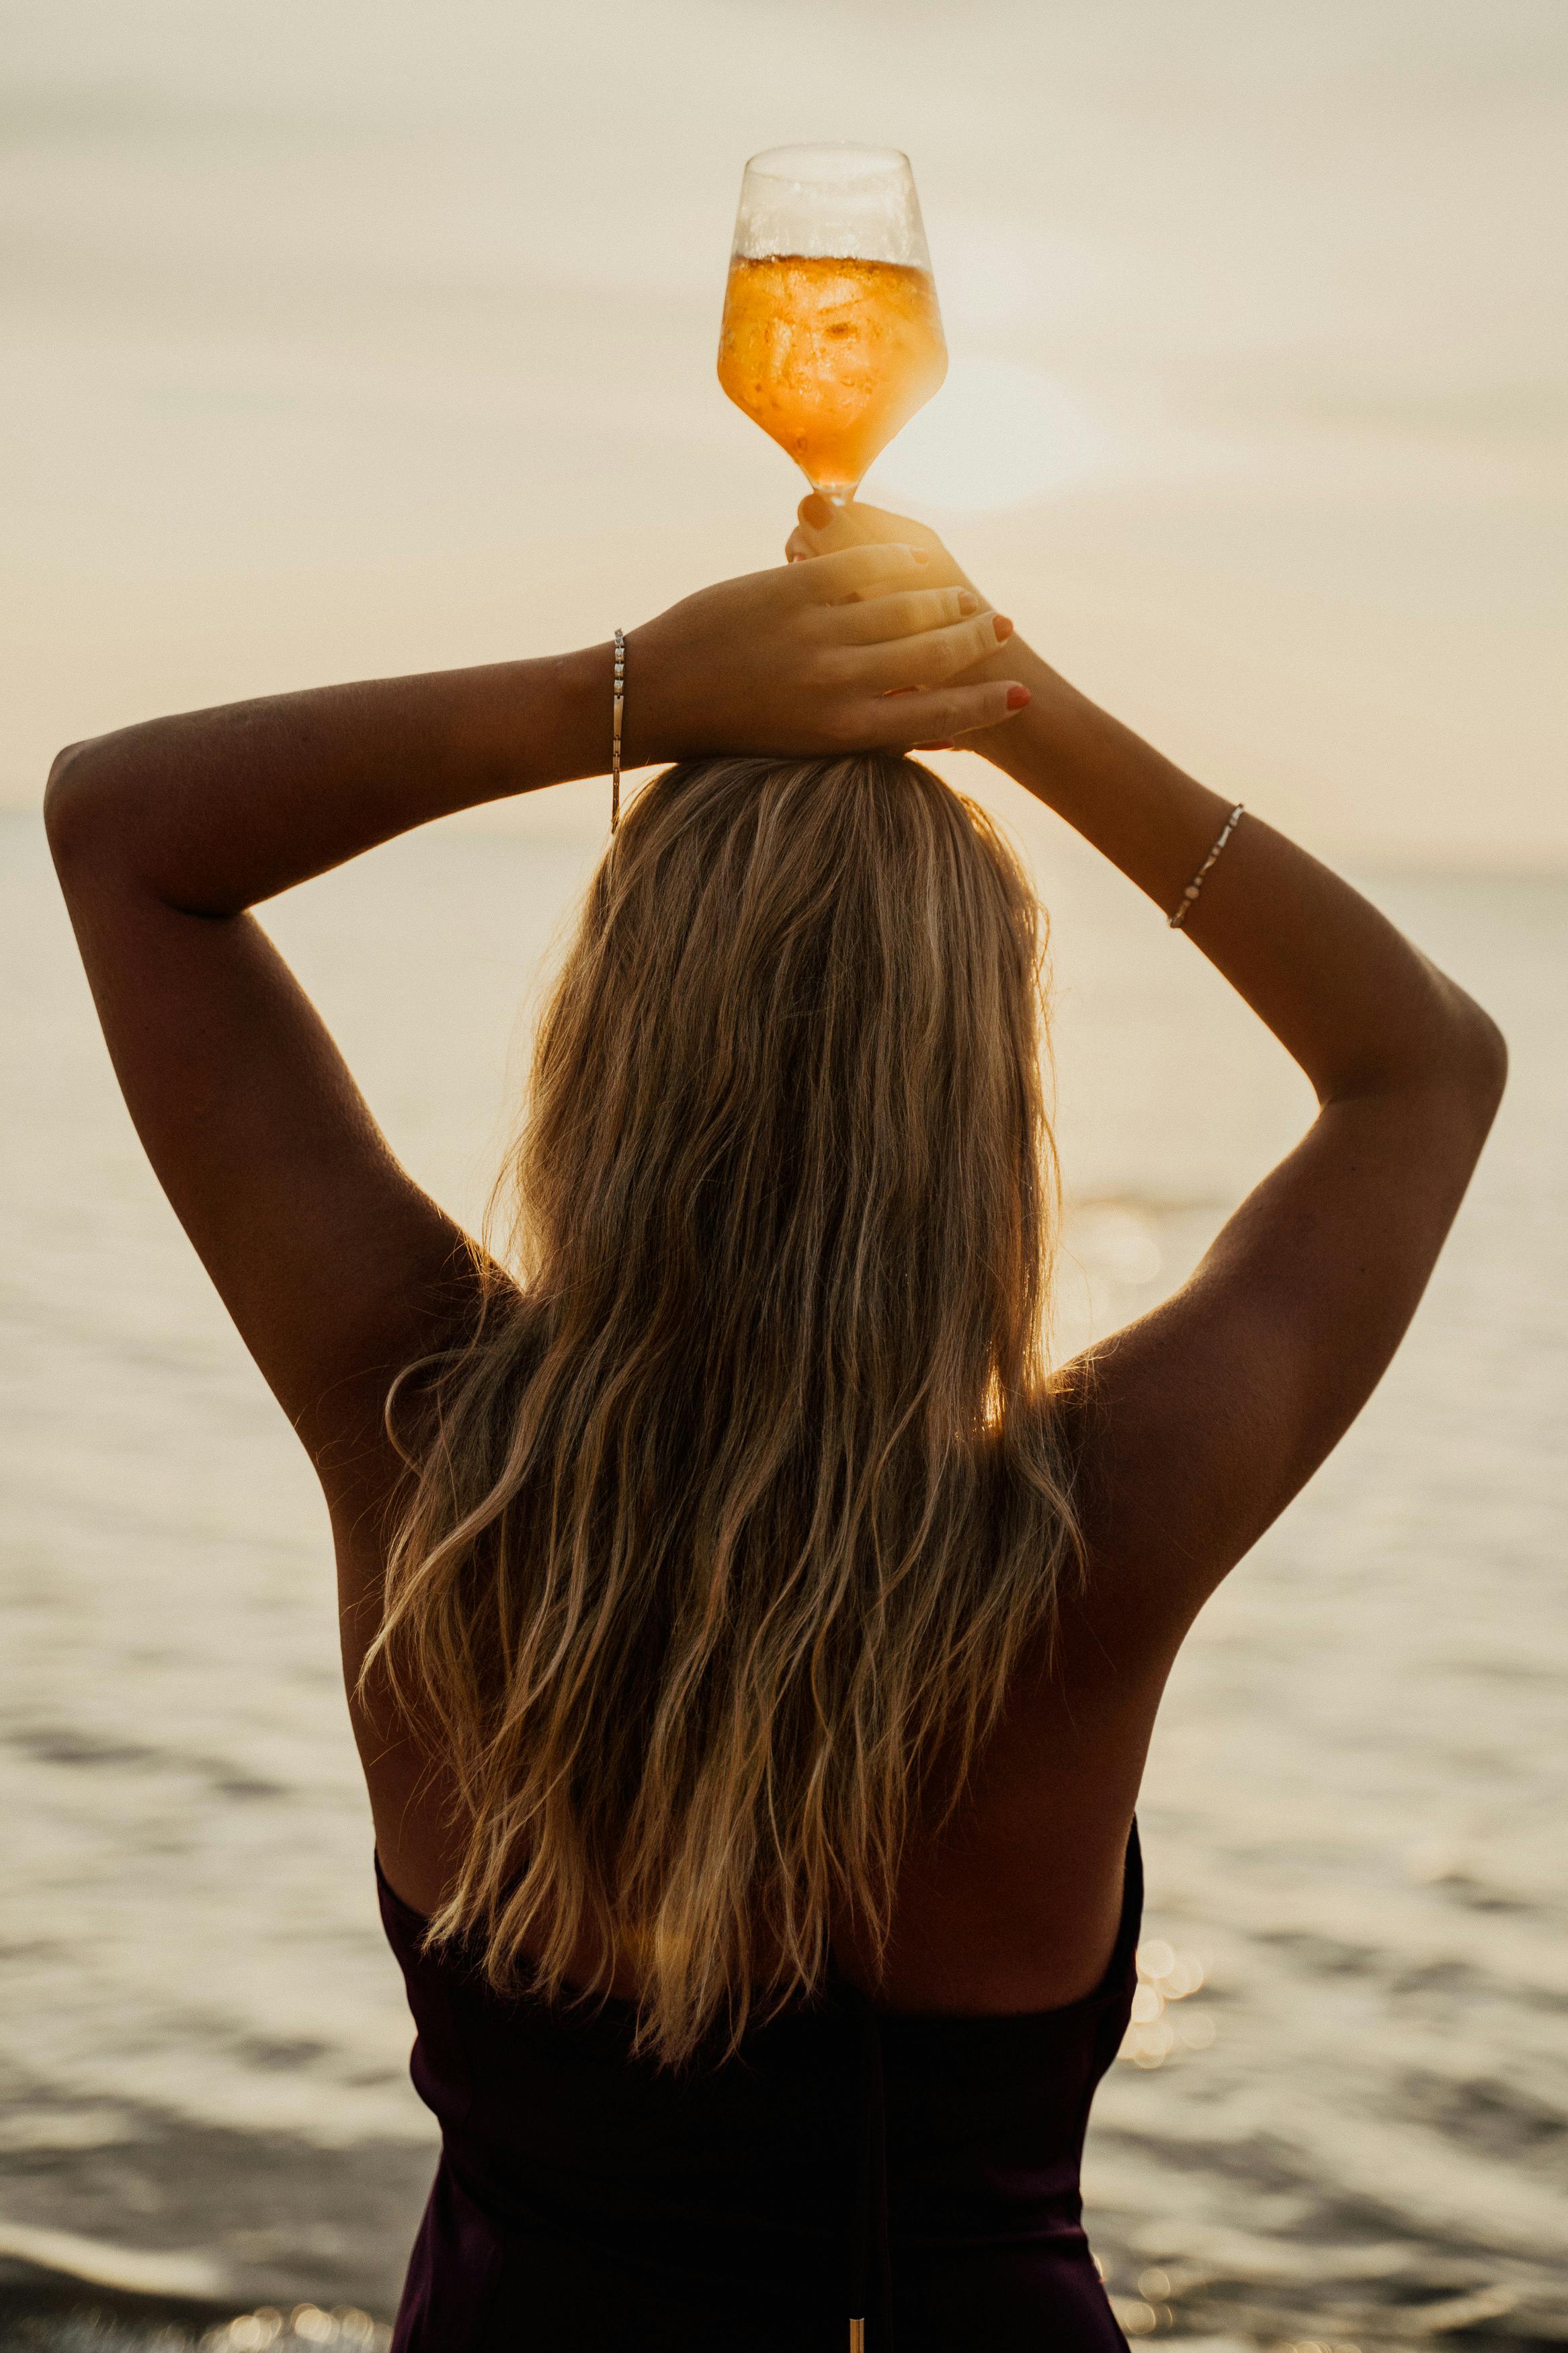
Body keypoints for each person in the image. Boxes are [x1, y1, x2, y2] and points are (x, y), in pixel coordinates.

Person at [44, 496, 1504, 2353]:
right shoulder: (1097, 1527)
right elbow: (1424, 1064)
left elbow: (125, 829)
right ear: (981, 1101)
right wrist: (1002, 700)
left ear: (611, 1046)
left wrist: (632, 695)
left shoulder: (421, 1428)